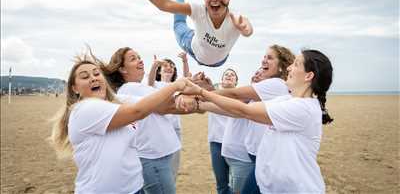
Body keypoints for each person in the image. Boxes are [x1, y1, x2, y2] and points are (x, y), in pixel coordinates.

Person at [177, 49, 334, 193]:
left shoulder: (303, 108)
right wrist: (200, 101)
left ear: (308, 76)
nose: (289, 68)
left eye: (296, 65)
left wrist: (200, 92)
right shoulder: (287, 99)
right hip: (269, 182)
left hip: (296, 188)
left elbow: (244, 110)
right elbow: (239, 109)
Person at [49, 55, 191, 194]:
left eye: (97, 74)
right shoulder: (84, 109)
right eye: (85, 77)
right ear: (74, 88)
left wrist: (198, 99)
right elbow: (138, 111)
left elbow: (158, 106)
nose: (93, 78)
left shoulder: (115, 100)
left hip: (135, 186)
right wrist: (176, 86)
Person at [97, 47, 199, 194]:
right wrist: (198, 97)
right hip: (154, 159)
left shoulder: (137, 87)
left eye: (139, 57)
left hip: (156, 156)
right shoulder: (131, 88)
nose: (140, 60)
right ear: (122, 69)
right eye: (133, 59)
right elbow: (167, 105)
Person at [118, 0, 253, 67]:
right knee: (179, 23)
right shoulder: (199, 10)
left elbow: (247, 29)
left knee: (183, 20)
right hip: (191, 45)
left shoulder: (236, 18)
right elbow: (165, 4)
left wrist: (245, 29)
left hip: (219, 61)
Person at [147, 52, 191, 181]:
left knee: (173, 165)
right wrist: (154, 66)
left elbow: (186, 77)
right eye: (165, 66)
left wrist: (184, 61)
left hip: (175, 129)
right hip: (158, 129)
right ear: (159, 72)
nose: (169, 67)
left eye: (172, 66)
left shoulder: (176, 86)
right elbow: (149, 82)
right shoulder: (155, 85)